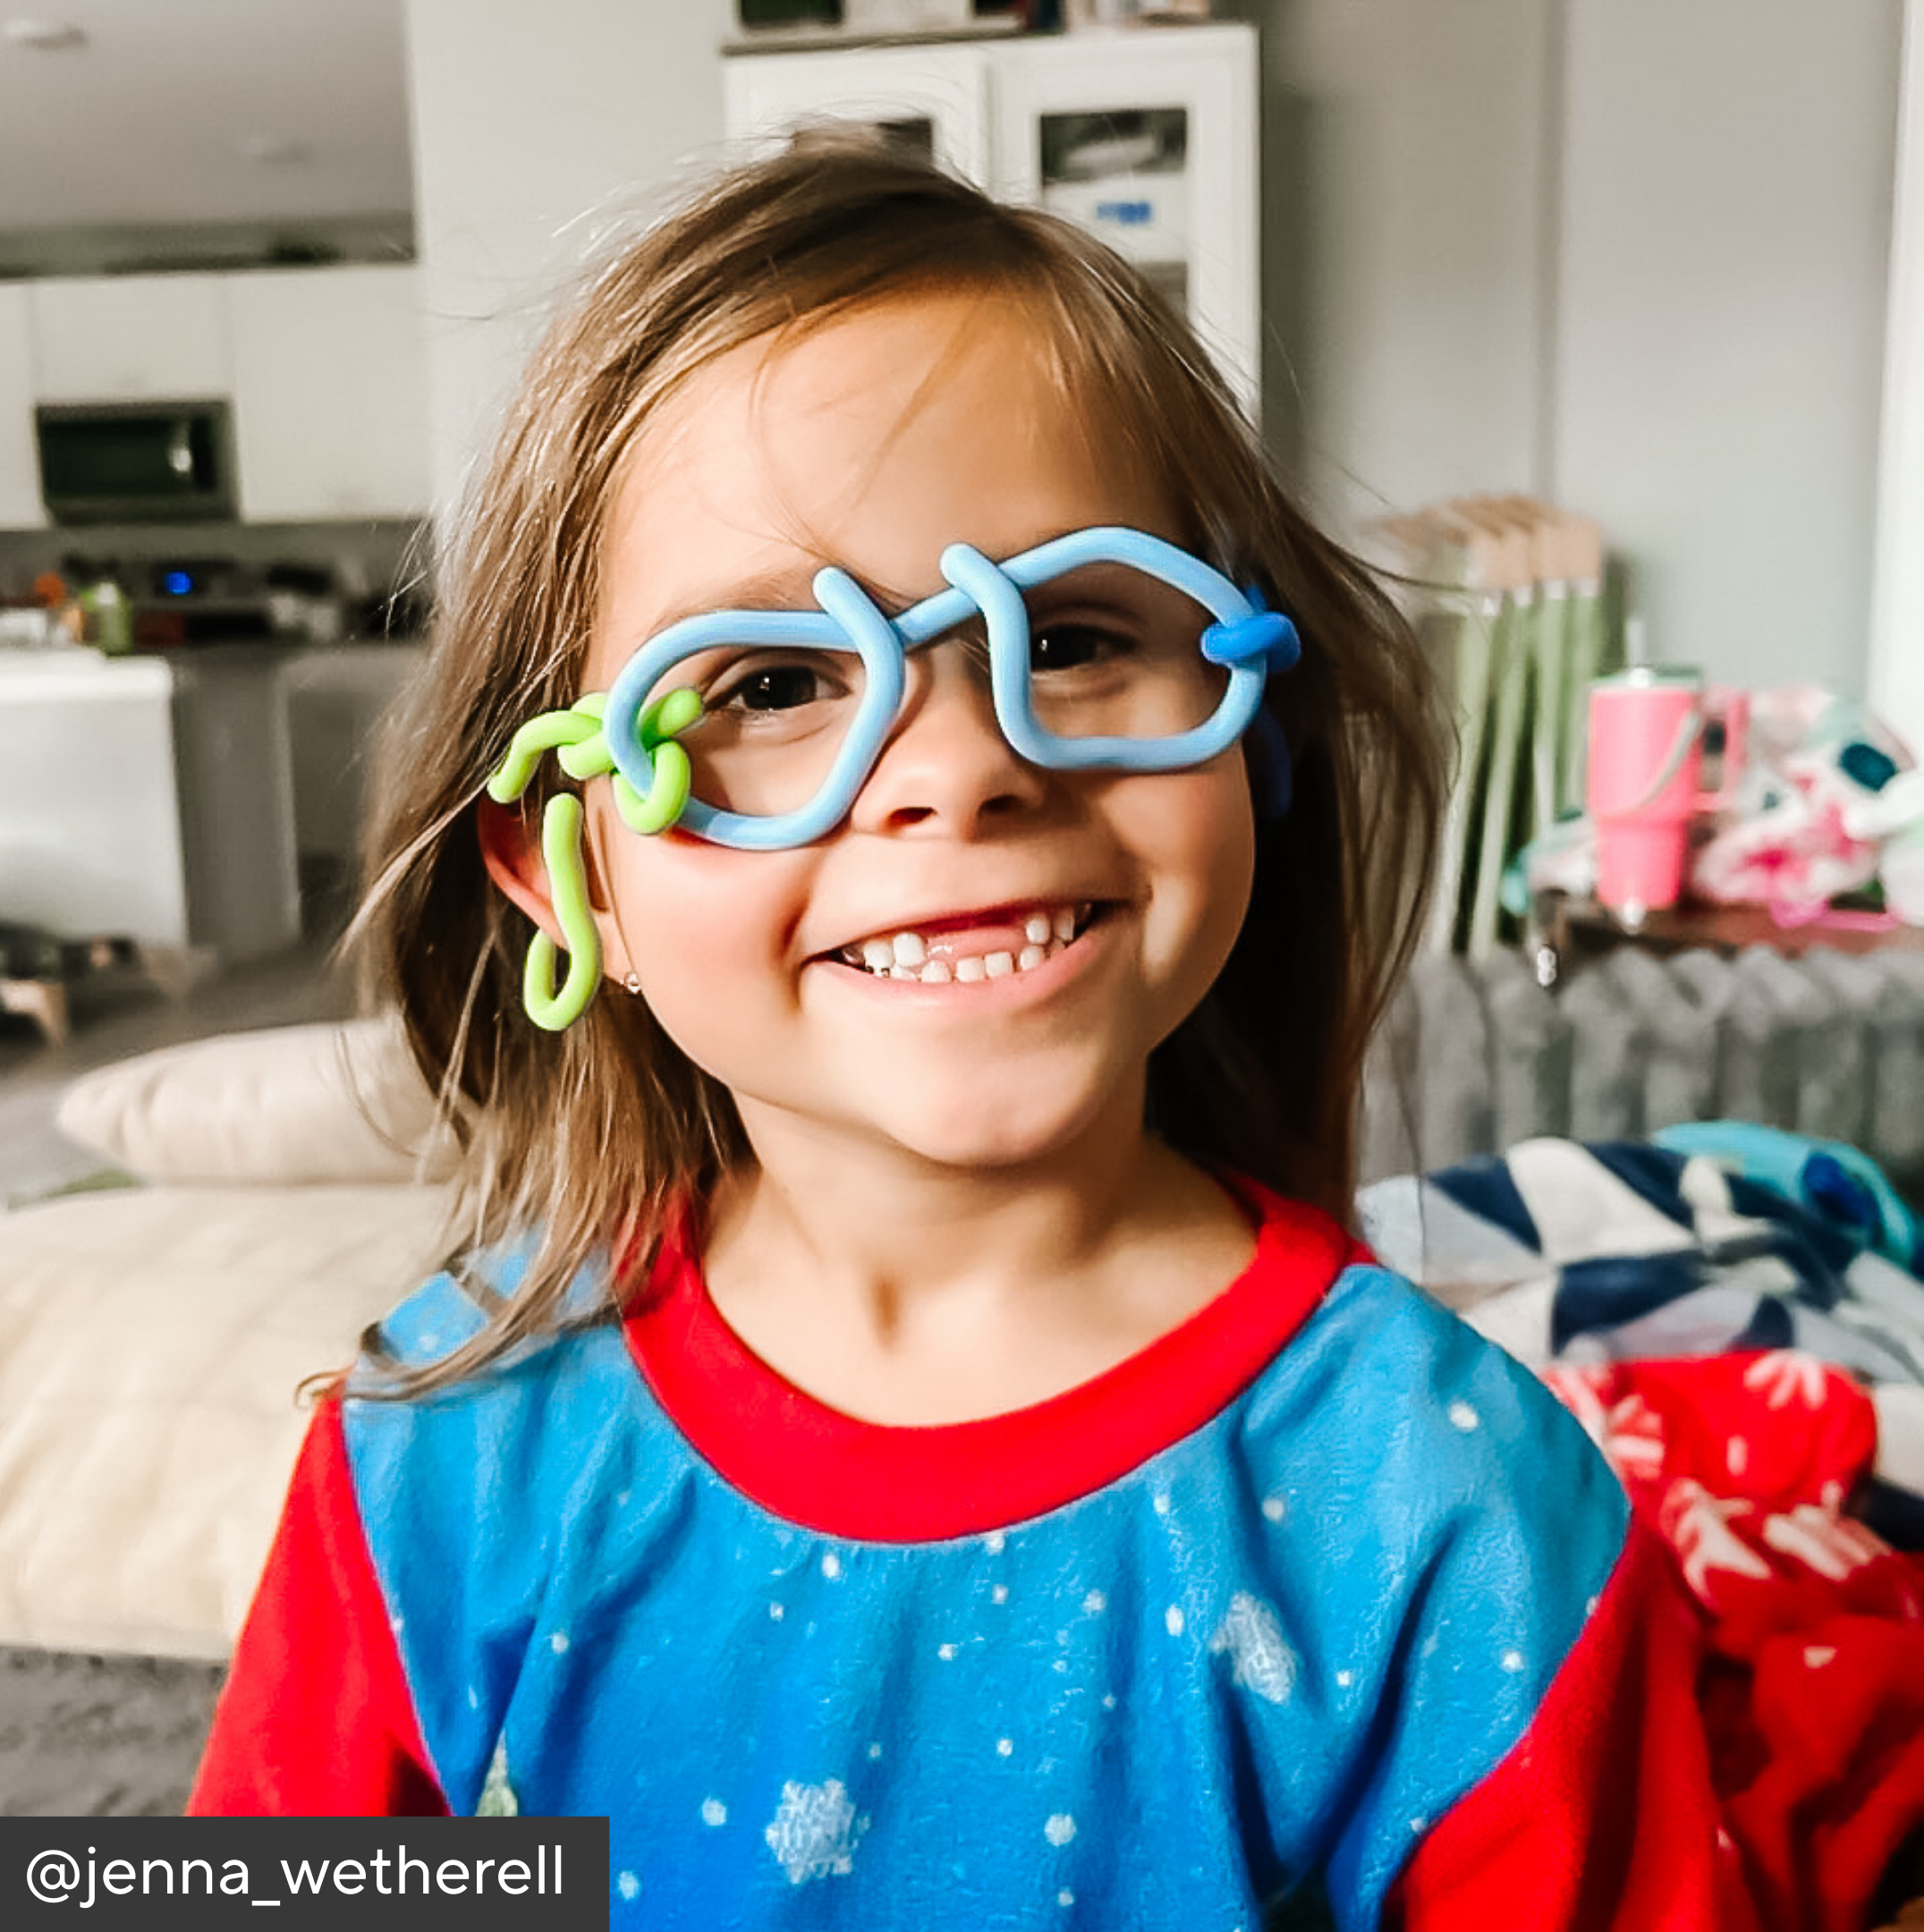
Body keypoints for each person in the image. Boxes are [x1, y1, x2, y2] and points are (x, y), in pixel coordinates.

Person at [191, 140, 1734, 1927]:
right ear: (564, 870)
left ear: (1257, 737)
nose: (962, 766)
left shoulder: (1451, 1509)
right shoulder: (446, 1448)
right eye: (772, 683)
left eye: (1068, 635)